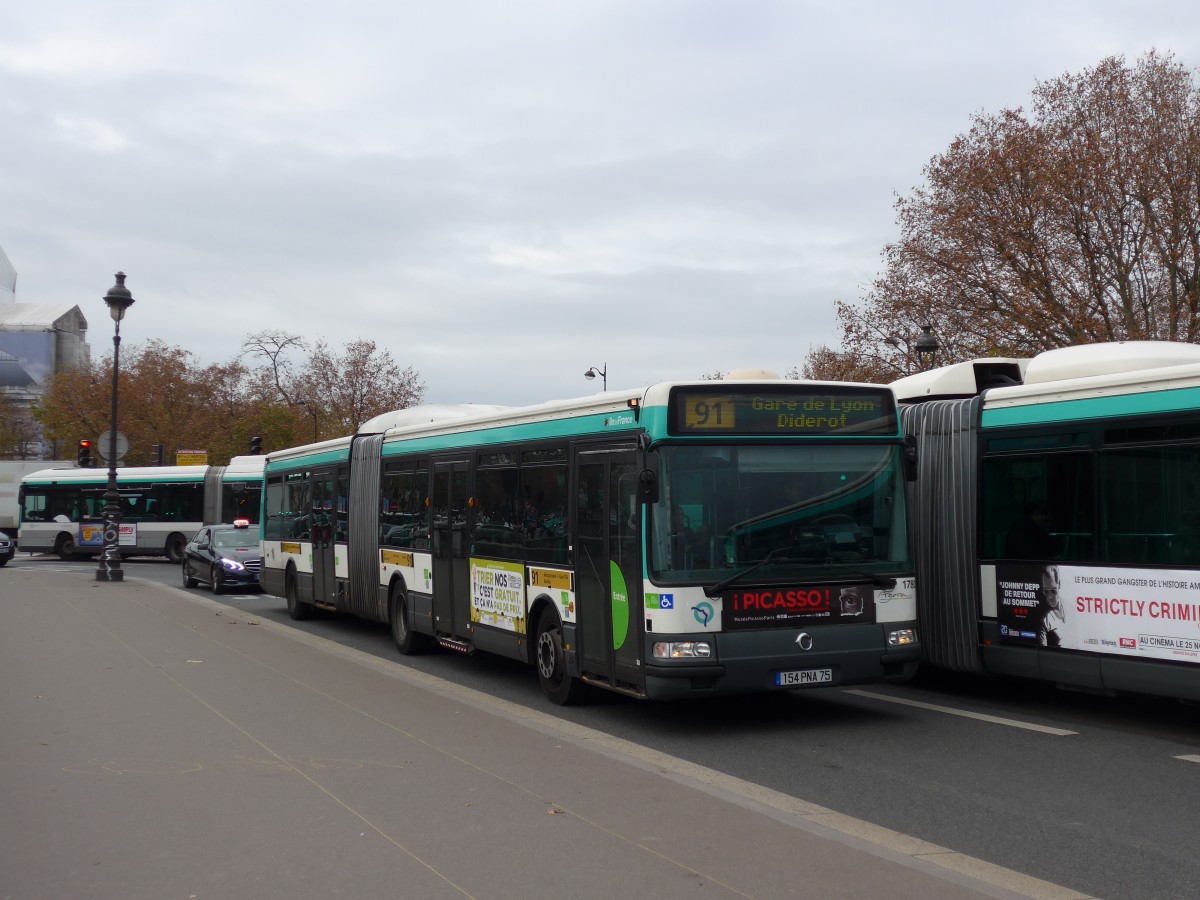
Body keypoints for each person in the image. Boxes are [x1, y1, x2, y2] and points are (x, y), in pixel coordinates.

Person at [1037, 564, 1067, 648]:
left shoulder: (1071, 606)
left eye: (1053, 591)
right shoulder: (1045, 621)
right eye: (1046, 591)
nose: (1049, 596)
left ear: (1059, 584)